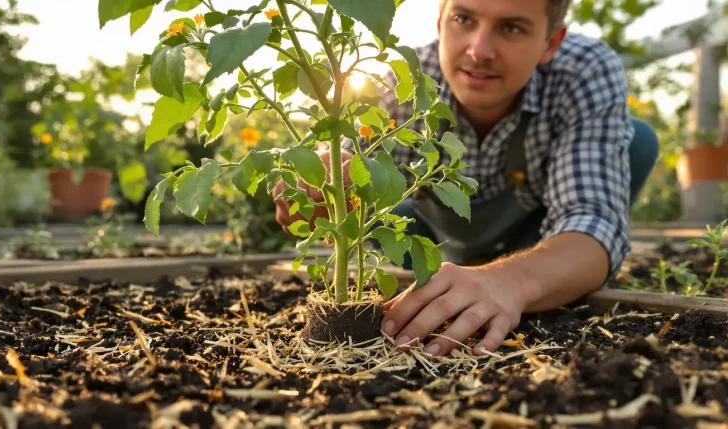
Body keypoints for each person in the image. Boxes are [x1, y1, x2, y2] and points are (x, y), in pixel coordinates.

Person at [272, 0, 659, 357]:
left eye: (511, 28)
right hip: (432, 239)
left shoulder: (583, 71)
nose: (479, 51)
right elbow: (353, 169)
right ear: (441, 21)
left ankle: (514, 274)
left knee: (636, 139)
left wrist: (513, 280)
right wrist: (325, 179)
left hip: (535, 237)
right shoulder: (407, 81)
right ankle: (470, 273)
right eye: (464, 19)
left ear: (550, 43)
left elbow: (594, 220)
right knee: (390, 215)